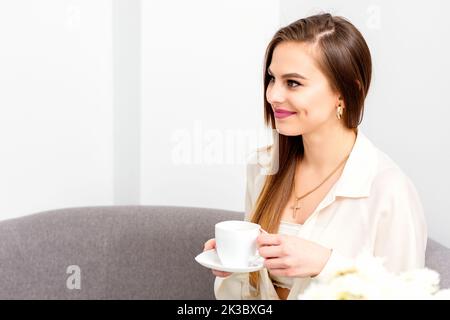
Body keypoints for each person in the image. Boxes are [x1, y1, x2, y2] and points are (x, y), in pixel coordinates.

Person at [203, 13, 427, 300]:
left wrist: (326, 265)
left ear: (345, 92)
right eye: (272, 79)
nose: (273, 95)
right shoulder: (261, 168)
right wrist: (233, 266)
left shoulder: (389, 190)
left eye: (293, 83)